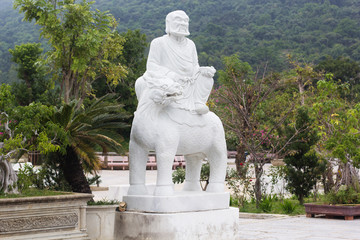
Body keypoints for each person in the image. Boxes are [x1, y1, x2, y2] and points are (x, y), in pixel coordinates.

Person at [137, 10, 215, 115]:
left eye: (185, 21)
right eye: (178, 20)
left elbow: (195, 65)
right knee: (155, 84)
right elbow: (152, 66)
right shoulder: (158, 42)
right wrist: (172, 75)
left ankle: (198, 103)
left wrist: (202, 70)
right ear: (168, 23)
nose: (183, 23)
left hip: (189, 81)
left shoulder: (191, 44)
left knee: (207, 79)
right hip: (169, 80)